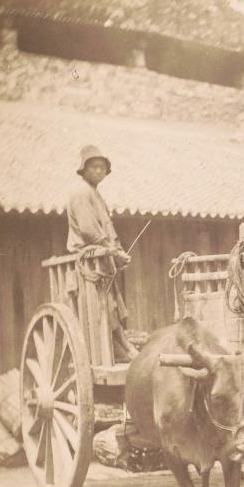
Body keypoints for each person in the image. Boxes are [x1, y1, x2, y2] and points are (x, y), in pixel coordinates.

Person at [66, 145, 137, 361]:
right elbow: (89, 229)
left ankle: (122, 347)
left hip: (102, 256)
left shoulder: (96, 194)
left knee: (113, 304)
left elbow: (107, 228)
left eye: (102, 168)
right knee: (105, 304)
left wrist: (118, 251)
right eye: (94, 167)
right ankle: (123, 348)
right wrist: (112, 251)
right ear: (84, 170)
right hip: (90, 259)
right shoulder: (81, 192)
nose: (99, 171)